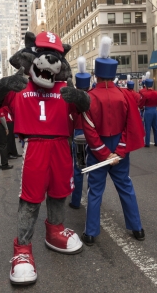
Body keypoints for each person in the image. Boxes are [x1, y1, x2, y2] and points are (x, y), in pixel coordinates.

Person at [0, 31, 90, 285]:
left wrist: (79, 96)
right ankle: (22, 249)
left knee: (59, 193)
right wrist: (4, 83)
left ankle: (54, 230)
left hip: (61, 146)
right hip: (35, 147)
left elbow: (86, 104)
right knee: (30, 200)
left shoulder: (64, 88)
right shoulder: (20, 86)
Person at [81, 36, 145, 246]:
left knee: (95, 190)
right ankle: (137, 228)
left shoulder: (89, 97)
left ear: (96, 74)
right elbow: (130, 126)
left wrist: (103, 153)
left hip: (97, 148)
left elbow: (89, 129)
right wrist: (119, 151)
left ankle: (90, 233)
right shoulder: (124, 95)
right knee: (125, 186)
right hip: (120, 145)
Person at [69, 56, 91, 209]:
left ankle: (76, 201)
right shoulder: (93, 96)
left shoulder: (72, 99)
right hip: (92, 135)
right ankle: (93, 201)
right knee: (93, 170)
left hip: (77, 134)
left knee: (77, 170)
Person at [139, 72, 157, 147]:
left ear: (146, 85)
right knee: (156, 127)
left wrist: (141, 108)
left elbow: (141, 103)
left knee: (147, 127)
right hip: (155, 110)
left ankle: (147, 143)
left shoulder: (145, 94)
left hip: (148, 111)